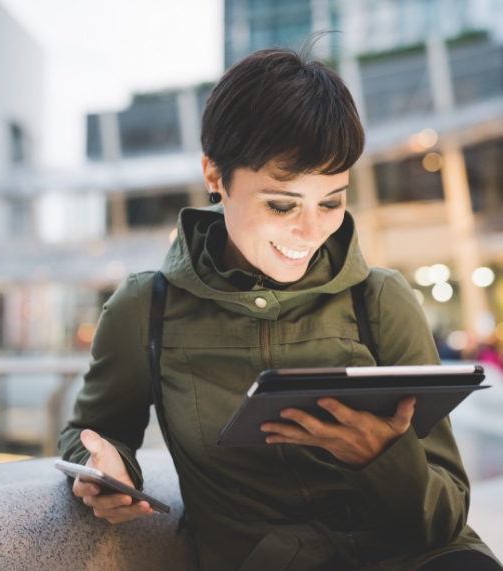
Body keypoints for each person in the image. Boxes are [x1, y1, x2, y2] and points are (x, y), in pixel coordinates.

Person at [59, 47, 501, 571]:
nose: (310, 231)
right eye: (282, 204)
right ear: (215, 176)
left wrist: (382, 458)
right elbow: (91, 432)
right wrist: (100, 465)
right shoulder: (144, 308)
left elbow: (444, 518)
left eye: (332, 202)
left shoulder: (381, 298)